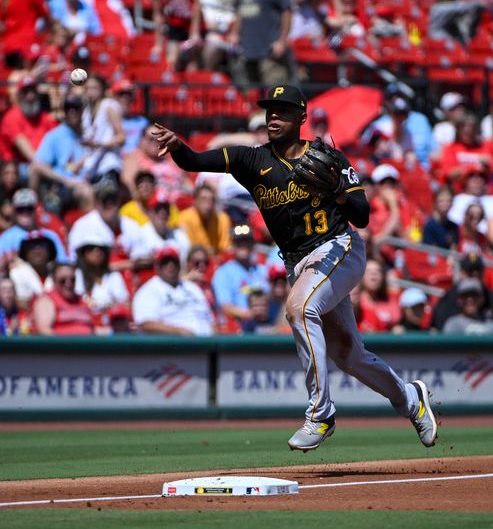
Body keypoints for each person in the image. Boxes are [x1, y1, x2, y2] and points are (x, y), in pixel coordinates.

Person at [152, 84, 437, 452]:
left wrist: (336, 189)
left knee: (299, 308)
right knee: (348, 354)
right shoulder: (250, 160)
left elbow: (363, 216)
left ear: (302, 117)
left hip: (339, 249)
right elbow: (194, 161)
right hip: (299, 264)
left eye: (283, 110)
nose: (274, 116)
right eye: (270, 109)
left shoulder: (329, 158)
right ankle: (411, 399)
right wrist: (177, 146)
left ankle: (320, 414)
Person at [132, 246, 215, 336]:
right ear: (157, 267)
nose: (170, 265)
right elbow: (145, 324)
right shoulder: (148, 290)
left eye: (174, 262)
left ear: (179, 265)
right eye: (165, 262)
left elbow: (211, 321)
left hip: (206, 343)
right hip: (174, 345)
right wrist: (177, 331)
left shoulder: (192, 288)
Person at [0, 77, 58, 177]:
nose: (30, 96)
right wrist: (46, 167)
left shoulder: (45, 117)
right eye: (26, 92)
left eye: (33, 92)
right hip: (16, 166)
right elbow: (28, 152)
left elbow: (59, 141)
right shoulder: (11, 117)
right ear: (19, 96)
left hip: (44, 164)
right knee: (35, 171)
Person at [211, 224, 270, 327]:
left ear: (252, 245)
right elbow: (225, 306)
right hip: (238, 328)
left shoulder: (262, 269)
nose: (243, 246)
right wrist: (250, 314)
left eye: (247, 242)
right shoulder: (223, 272)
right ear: (233, 246)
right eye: (239, 243)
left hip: (267, 323)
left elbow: (272, 296)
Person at [0, 189, 68, 264]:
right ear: (14, 211)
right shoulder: (6, 237)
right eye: (20, 209)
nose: (25, 212)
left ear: (35, 210)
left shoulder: (50, 236)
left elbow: (63, 263)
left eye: (29, 208)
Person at [32, 262, 94, 335]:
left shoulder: (81, 300)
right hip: (61, 345)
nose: (68, 284)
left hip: (88, 344)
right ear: (54, 281)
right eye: (63, 281)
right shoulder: (47, 300)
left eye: (72, 280)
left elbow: (93, 329)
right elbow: (44, 331)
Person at [178, 184, 232, 256]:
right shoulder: (185, 218)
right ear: (195, 201)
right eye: (204, 199)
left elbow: (226, 248)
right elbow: (187, 248)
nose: (208, 203)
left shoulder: (222, 219)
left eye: (211, 200)